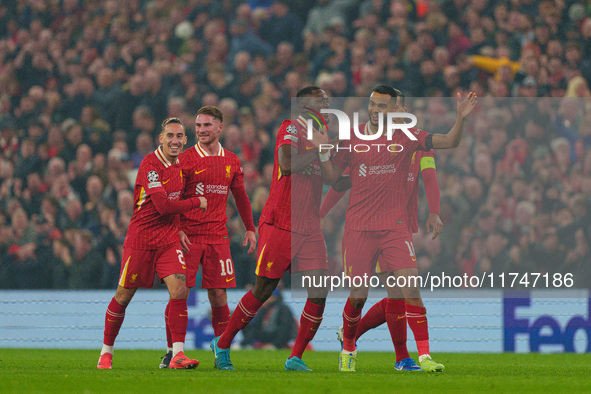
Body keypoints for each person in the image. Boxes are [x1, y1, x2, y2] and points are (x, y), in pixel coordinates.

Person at [311, 85, 477, 372]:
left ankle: (421, 356)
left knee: (408, 288)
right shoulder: (352, 136)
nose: (376, 110)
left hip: (396, 228)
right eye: (373, 104)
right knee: (358, 297)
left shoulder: (410, 137)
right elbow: (335, 181)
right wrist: (323, 153)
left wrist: (461, 119)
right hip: (359, 229)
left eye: (383, 105)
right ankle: (348, 346)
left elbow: (449, 142)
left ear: (398, 109)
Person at [210, 86, 333, 371]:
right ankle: (224, 343)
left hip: (309, 227)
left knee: (319, 291)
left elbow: (333, 180)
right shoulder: (290, 128)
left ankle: (296, 357)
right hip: (280, 222)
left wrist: (334, 155)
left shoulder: (320, 135)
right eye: (320, 97)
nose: (326, 101)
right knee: (263, 290)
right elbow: (288, 165)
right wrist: (319, 149)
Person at [97, 117, 207, 370]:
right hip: (142, 240)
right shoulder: (150, 164)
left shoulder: (181, 167)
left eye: (179, 136)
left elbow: (173, 205)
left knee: (179, 290)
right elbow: (163, 206)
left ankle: (177, 354)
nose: (175, 141)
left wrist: (178, 229)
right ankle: (106, 352)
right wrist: (196, 202)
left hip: (168, 239)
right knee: (124, 296)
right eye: (170, 136)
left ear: (185, 140)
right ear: (161, 138)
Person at [158, 106, 257, 368]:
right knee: (179, 293)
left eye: (207, 126)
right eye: (198, 126)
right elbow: (173, 197)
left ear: (219, 128)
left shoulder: (231, 160)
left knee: (219, 297)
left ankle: (221, 352)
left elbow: (241, 197)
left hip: (217, 237)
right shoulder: (186, 159)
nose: (201, 130)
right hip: (188, 236)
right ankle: (173, 351)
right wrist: (177, 228)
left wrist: (250, 227)